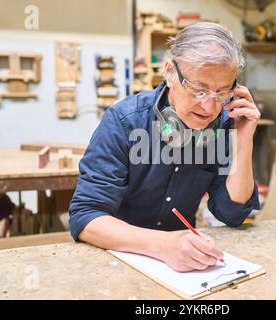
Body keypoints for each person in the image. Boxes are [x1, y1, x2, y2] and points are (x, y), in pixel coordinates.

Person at [69, 21, 261, 272]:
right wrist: (163, 245)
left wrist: (243, 140)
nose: (209, 107)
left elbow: (232, 214)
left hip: (184, 263)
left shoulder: (224, 124)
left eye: (222, 92)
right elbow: (86, 217)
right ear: (170, 72)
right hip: (118, 257)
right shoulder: (124, 121)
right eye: (198, 90)